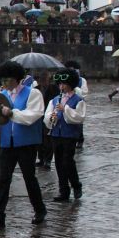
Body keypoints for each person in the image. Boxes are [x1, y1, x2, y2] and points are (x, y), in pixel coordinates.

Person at [0, 61, 47, 231]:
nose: (4, 84)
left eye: (8, 80)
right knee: (3, 179)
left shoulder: (32, 93)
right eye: (2, 80)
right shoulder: (1, 95)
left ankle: (39, 209)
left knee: (29, 178)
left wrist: (12, 113)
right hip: (7, 143)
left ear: (17, 79)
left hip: (26, 143)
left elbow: (33, 115)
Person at [44, 68, 86, 201]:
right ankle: (64, 191)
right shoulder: (55, 100)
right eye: (60, 84)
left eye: (64, 84)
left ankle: (76, 184)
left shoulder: (78, 100)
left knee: (68, 161)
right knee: (58, 163)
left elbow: (79, 117)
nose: (61, 87)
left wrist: (65, 109)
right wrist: (52, 117)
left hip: (70, 135)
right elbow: (48, 116)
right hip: (56, 134)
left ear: (70, 84)